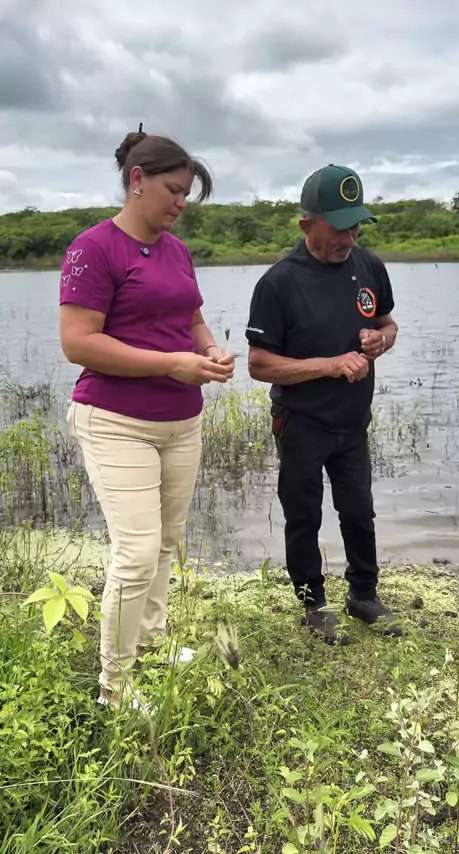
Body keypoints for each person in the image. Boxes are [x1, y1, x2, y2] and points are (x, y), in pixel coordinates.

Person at [60, 128, 235, 707]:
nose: (181, 203)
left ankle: (152, 641)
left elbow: (193, 319)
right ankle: (114, 687)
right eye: (173, 190)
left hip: (181, 422)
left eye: (187, 194)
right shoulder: (93, 248)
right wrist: (171, 364)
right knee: (135, 554)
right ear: (137, 180)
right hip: (115, 420)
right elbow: (78, 343)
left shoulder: (176, 250)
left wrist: (209, 350)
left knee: (165, 542)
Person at [245, 164, 400, 645]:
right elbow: (259, 364)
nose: (349, 237)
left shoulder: (368, 265)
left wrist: (380, 340)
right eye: (339, 227)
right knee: (303, 516)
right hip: (301, 423)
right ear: (306, 224)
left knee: (359, 511)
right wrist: (330, 365)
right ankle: (313, 605)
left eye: (356, 226)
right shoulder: (279, 282)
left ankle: (364, 596)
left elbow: (389, 324)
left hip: (352, 423)